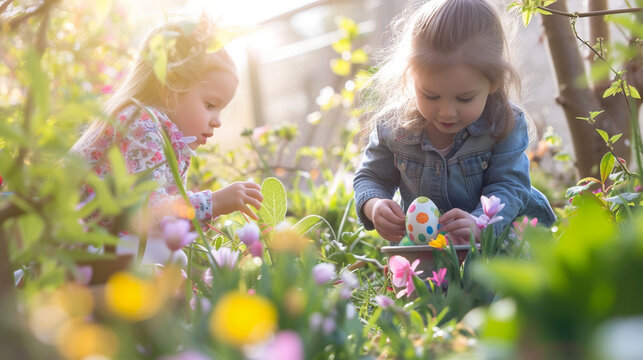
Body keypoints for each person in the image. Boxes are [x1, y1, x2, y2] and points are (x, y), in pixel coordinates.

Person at [353, 0, 556, 243]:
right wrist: (374, 205)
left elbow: (509, 187)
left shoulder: (503, 124)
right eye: (431, 95)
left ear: (493, 82)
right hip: (430, 249)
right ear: (411, 78)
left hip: (499, 243)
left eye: (464, 98)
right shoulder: (394, 127)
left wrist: (480, 223)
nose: (447, 112)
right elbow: (371, 176)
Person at [71, 17, 263, 263]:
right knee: (169, 259)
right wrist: (214, 202)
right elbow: (150, 209)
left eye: (220, 110)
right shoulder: (141, 125)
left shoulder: (167, 137)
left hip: (103, 239)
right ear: (170, 89)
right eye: (210, 105)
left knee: (170, 256)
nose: (217, 121)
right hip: (79, 247)